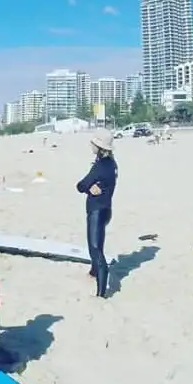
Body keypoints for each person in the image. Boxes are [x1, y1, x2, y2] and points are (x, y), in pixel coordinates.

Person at [76, 128, 118, 298]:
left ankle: (101, 293)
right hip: (106, 209)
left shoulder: (100, 166)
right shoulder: (111, 164)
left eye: (93, 142)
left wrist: (87, 187)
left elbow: (80, 185)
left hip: (96, 211)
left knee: (95, 249)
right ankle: (94, 272)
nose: (90, 144)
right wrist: (90, 188)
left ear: (99, 146)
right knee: (96, 244)